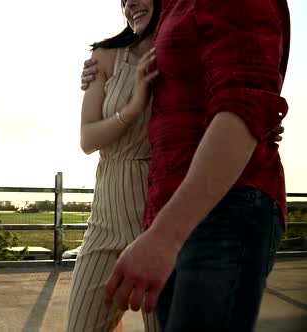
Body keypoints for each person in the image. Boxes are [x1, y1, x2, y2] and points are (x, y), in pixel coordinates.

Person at [83, 0, 290, 331]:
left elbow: (244, 98)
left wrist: (166, 235)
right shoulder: (169, 19)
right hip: (163, 210)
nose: (128, 3)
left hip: (219, 208)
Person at [67, 1, 163, 331]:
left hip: (162, 224)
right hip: (105, 224)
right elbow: (87, 138)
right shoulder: (106, 56)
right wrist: (134, 106)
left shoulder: (187, 53)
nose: (130, 4)